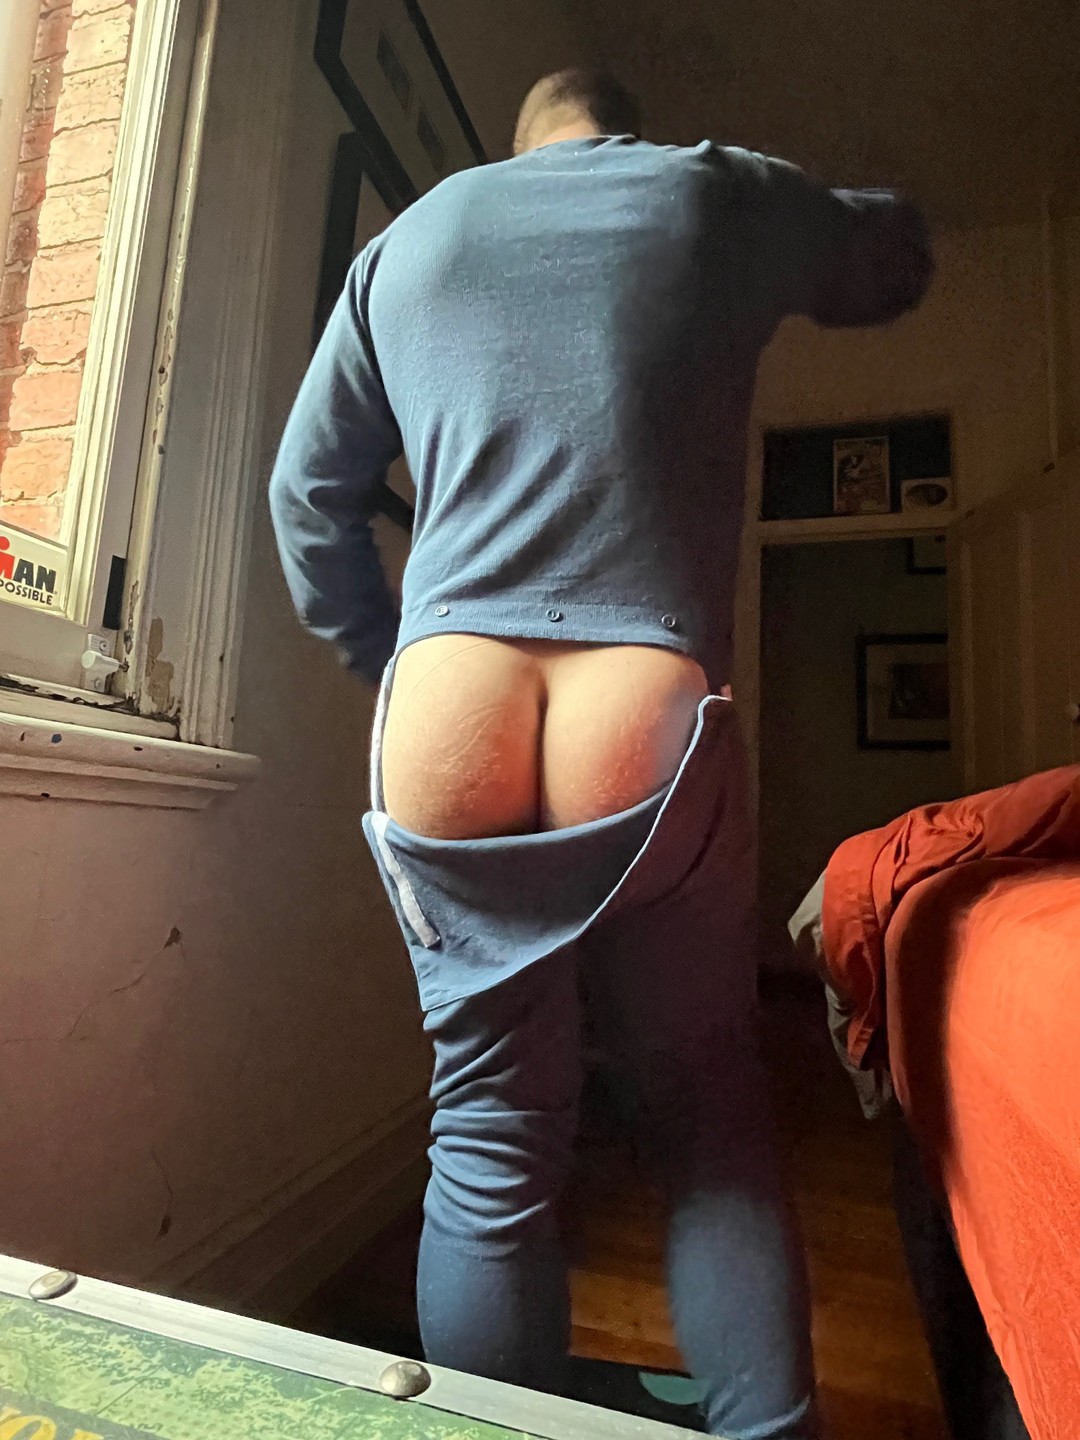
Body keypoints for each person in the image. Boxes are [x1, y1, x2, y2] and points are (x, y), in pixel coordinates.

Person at [269, 67, 933, 1440]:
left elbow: (306, 497)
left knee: (490, 1137)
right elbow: (894, 259)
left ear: (518, 147)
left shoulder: (407, 245)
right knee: (707, 1117)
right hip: (646, 702)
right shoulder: (707, 191)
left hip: (444, 707)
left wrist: (389, 662)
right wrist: (817, 211)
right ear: (617, 129)